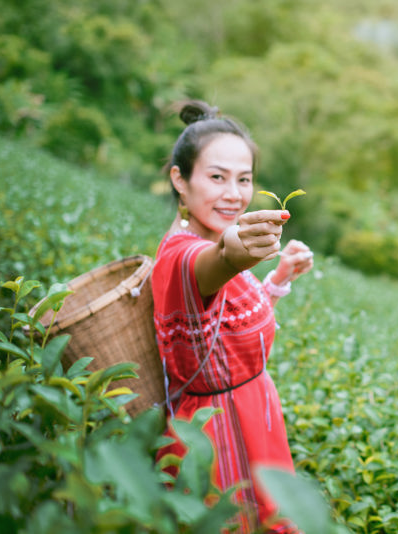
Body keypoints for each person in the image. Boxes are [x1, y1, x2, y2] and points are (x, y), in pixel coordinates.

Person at [151, 99, 313, 533]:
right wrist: (237, 251)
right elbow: (218, 260)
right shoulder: (184, 256)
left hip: (255, 421)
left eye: (244, 179)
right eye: (217, 177)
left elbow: (225, 333)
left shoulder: (205, 237)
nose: (234, 194)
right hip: (219, 436)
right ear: (180, 180)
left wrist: (278, 276)